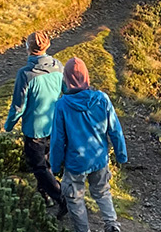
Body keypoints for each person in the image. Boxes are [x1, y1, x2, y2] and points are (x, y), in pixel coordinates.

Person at [50, 58, 127, 232]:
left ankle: (83, 230)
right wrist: (121, 154)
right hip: (99, 158)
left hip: (75, 162)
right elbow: (115, 129)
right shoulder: (102, 99)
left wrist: (55, 165)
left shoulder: (62, 106)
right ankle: (112, 224)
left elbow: (57, 140)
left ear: (67, 79)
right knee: (102, 192)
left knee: (75, 198)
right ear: (86, 76)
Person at [5, 32, 66, 215]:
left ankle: (61, 197)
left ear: (28, 48)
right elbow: (66, 92)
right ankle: (44, 195)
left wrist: (9, 125)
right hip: (54, 125)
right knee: (46, 162)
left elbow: (18, 106)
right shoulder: (58, 67)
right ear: (47, 46)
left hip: (34, 129)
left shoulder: (25, 74)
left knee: (39, 167)